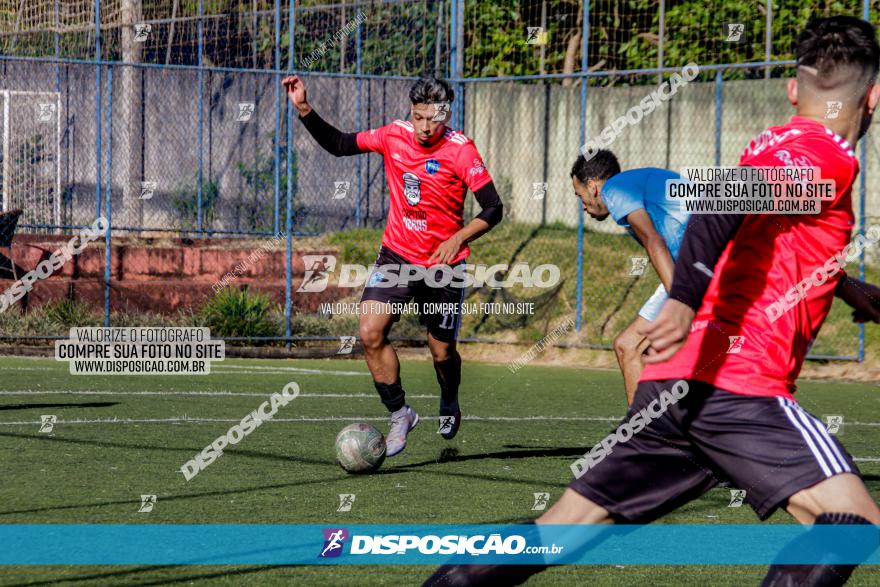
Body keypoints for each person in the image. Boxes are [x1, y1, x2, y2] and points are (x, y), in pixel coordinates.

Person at [425, 15, 880, 586]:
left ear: (793, 90)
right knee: (853, 523)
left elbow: (769, 238)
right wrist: (684, 295)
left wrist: (846, 286)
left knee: (557, 532)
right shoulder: (829, 155)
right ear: (874, 96)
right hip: (737, 389)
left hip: (675, 389)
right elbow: (726, 199)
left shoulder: (773, 143)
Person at [283, 75, 503, 456]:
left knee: (441, 352)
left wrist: (458, 238)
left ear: (445, 115)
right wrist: (304, 107)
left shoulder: (461, 150)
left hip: (444, 266)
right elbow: (338, 145)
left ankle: (449, 398)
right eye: (418, 117)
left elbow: (494, 208)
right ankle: (400, 413)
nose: (424, 127)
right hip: (397, 255)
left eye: (432, 119)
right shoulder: (393, 135)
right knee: (369, 332)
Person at [571, 153, 686, 404]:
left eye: (579, 195)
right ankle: (657, 432)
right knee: (638, 348)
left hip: (701, 262)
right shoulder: (634, 184)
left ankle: (647, 437)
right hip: (703, 259)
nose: (582, 205)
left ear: (593, 186)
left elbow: (654, 242)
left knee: (630, 346)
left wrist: (679, 300)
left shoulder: (614, 189)